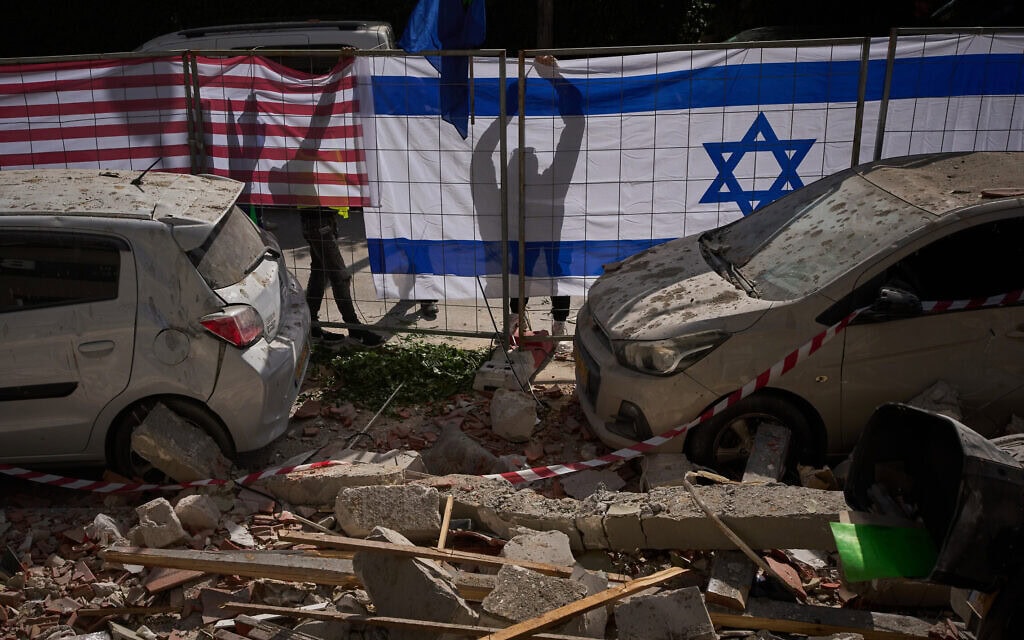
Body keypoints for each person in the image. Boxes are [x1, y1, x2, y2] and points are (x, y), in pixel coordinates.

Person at [301, 207, 384, 347]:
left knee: (320, 271)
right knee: (339, 276)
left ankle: (311, 326)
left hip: (322, 217)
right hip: (317, 220)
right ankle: (355, 329)